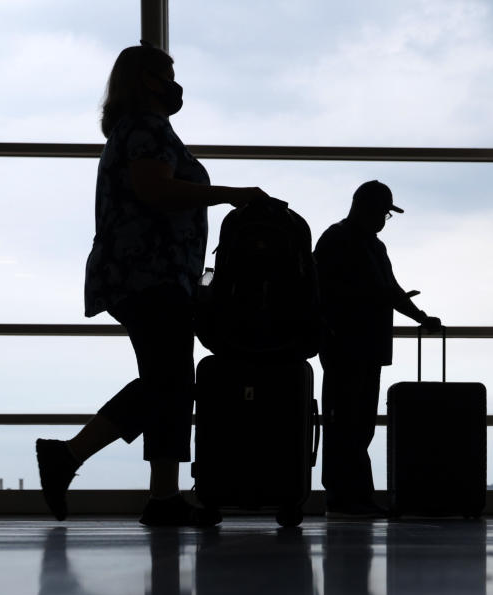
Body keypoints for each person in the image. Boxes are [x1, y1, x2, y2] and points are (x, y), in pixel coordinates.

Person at [35, 43, 268, 527]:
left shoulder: (135, 129)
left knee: (169, 382)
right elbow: (154, 189)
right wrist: (228, 195)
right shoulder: (146, 128)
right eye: (168, 74)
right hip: (148, 274)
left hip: (145, 274)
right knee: (170, 381)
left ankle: (155, 493)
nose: (175, 83)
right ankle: (75, 458)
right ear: (147, 80)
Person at [314, 180, 441, 517]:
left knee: (358, 424)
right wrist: (411, 312)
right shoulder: (338, 241)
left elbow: (390, 289)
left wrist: (420, 316)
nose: (385, 220)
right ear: (367, 209)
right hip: (347, 346)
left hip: (364, 346)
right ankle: (345, 497)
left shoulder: (367, 245)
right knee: (346, 423)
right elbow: (332, 293)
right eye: (384, 212)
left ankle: (353, 495)